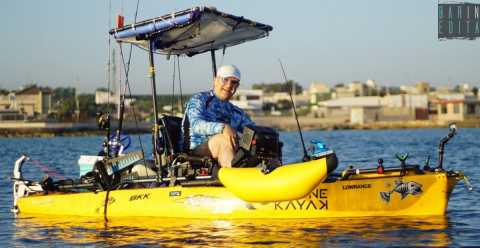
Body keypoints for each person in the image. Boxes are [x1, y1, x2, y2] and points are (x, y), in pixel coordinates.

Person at [182, 65, 254, 167]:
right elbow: (195, 125)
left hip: (229, 148)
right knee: (223, 139)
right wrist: (223, 128)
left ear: (237, 86)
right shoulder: (199, 99)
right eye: (225, 80)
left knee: (262, 144)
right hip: (195, 150)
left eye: (234, 82)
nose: (229, 85)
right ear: (215, 80)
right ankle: (232, 176)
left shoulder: (236, 112)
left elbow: (253, 131)